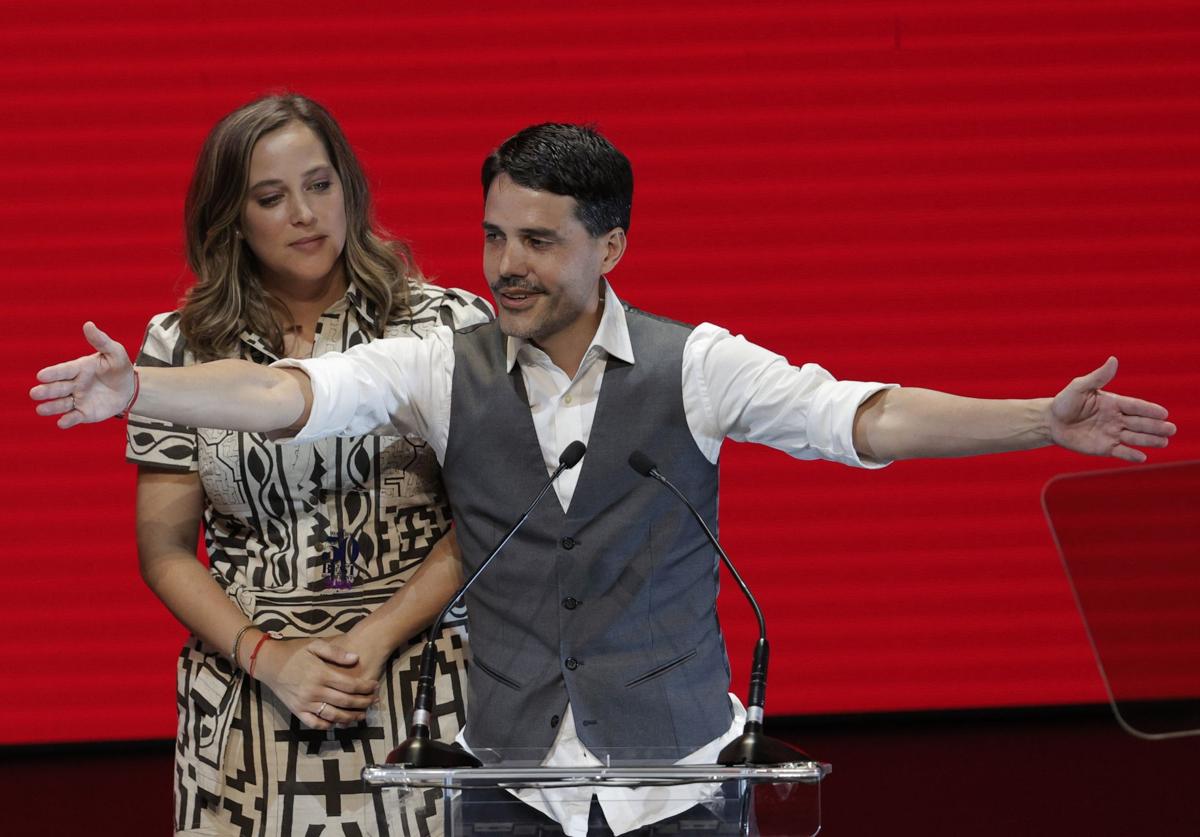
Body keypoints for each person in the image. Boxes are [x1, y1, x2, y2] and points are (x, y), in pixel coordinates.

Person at [33, 123, 1175, 836]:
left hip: (676, 784)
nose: (506, 267)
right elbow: (291, 398)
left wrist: (1037, 419)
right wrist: (145, 389)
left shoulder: (699, 365)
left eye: (537, 241)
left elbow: (859, 417)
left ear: (610, 247)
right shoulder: (441, 358)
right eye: (493, 238)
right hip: (508, 790)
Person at [112, 94, 491, 836]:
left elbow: (490, 518)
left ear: (349, 187)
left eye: (320, 185)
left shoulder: (449, 325)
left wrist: (375, 637)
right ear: (232, 217)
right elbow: (163, 550)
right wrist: (270, 657)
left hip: (427, 684)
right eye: (270, 196)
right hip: (250, 696)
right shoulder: (180, 347)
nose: (304, 213)